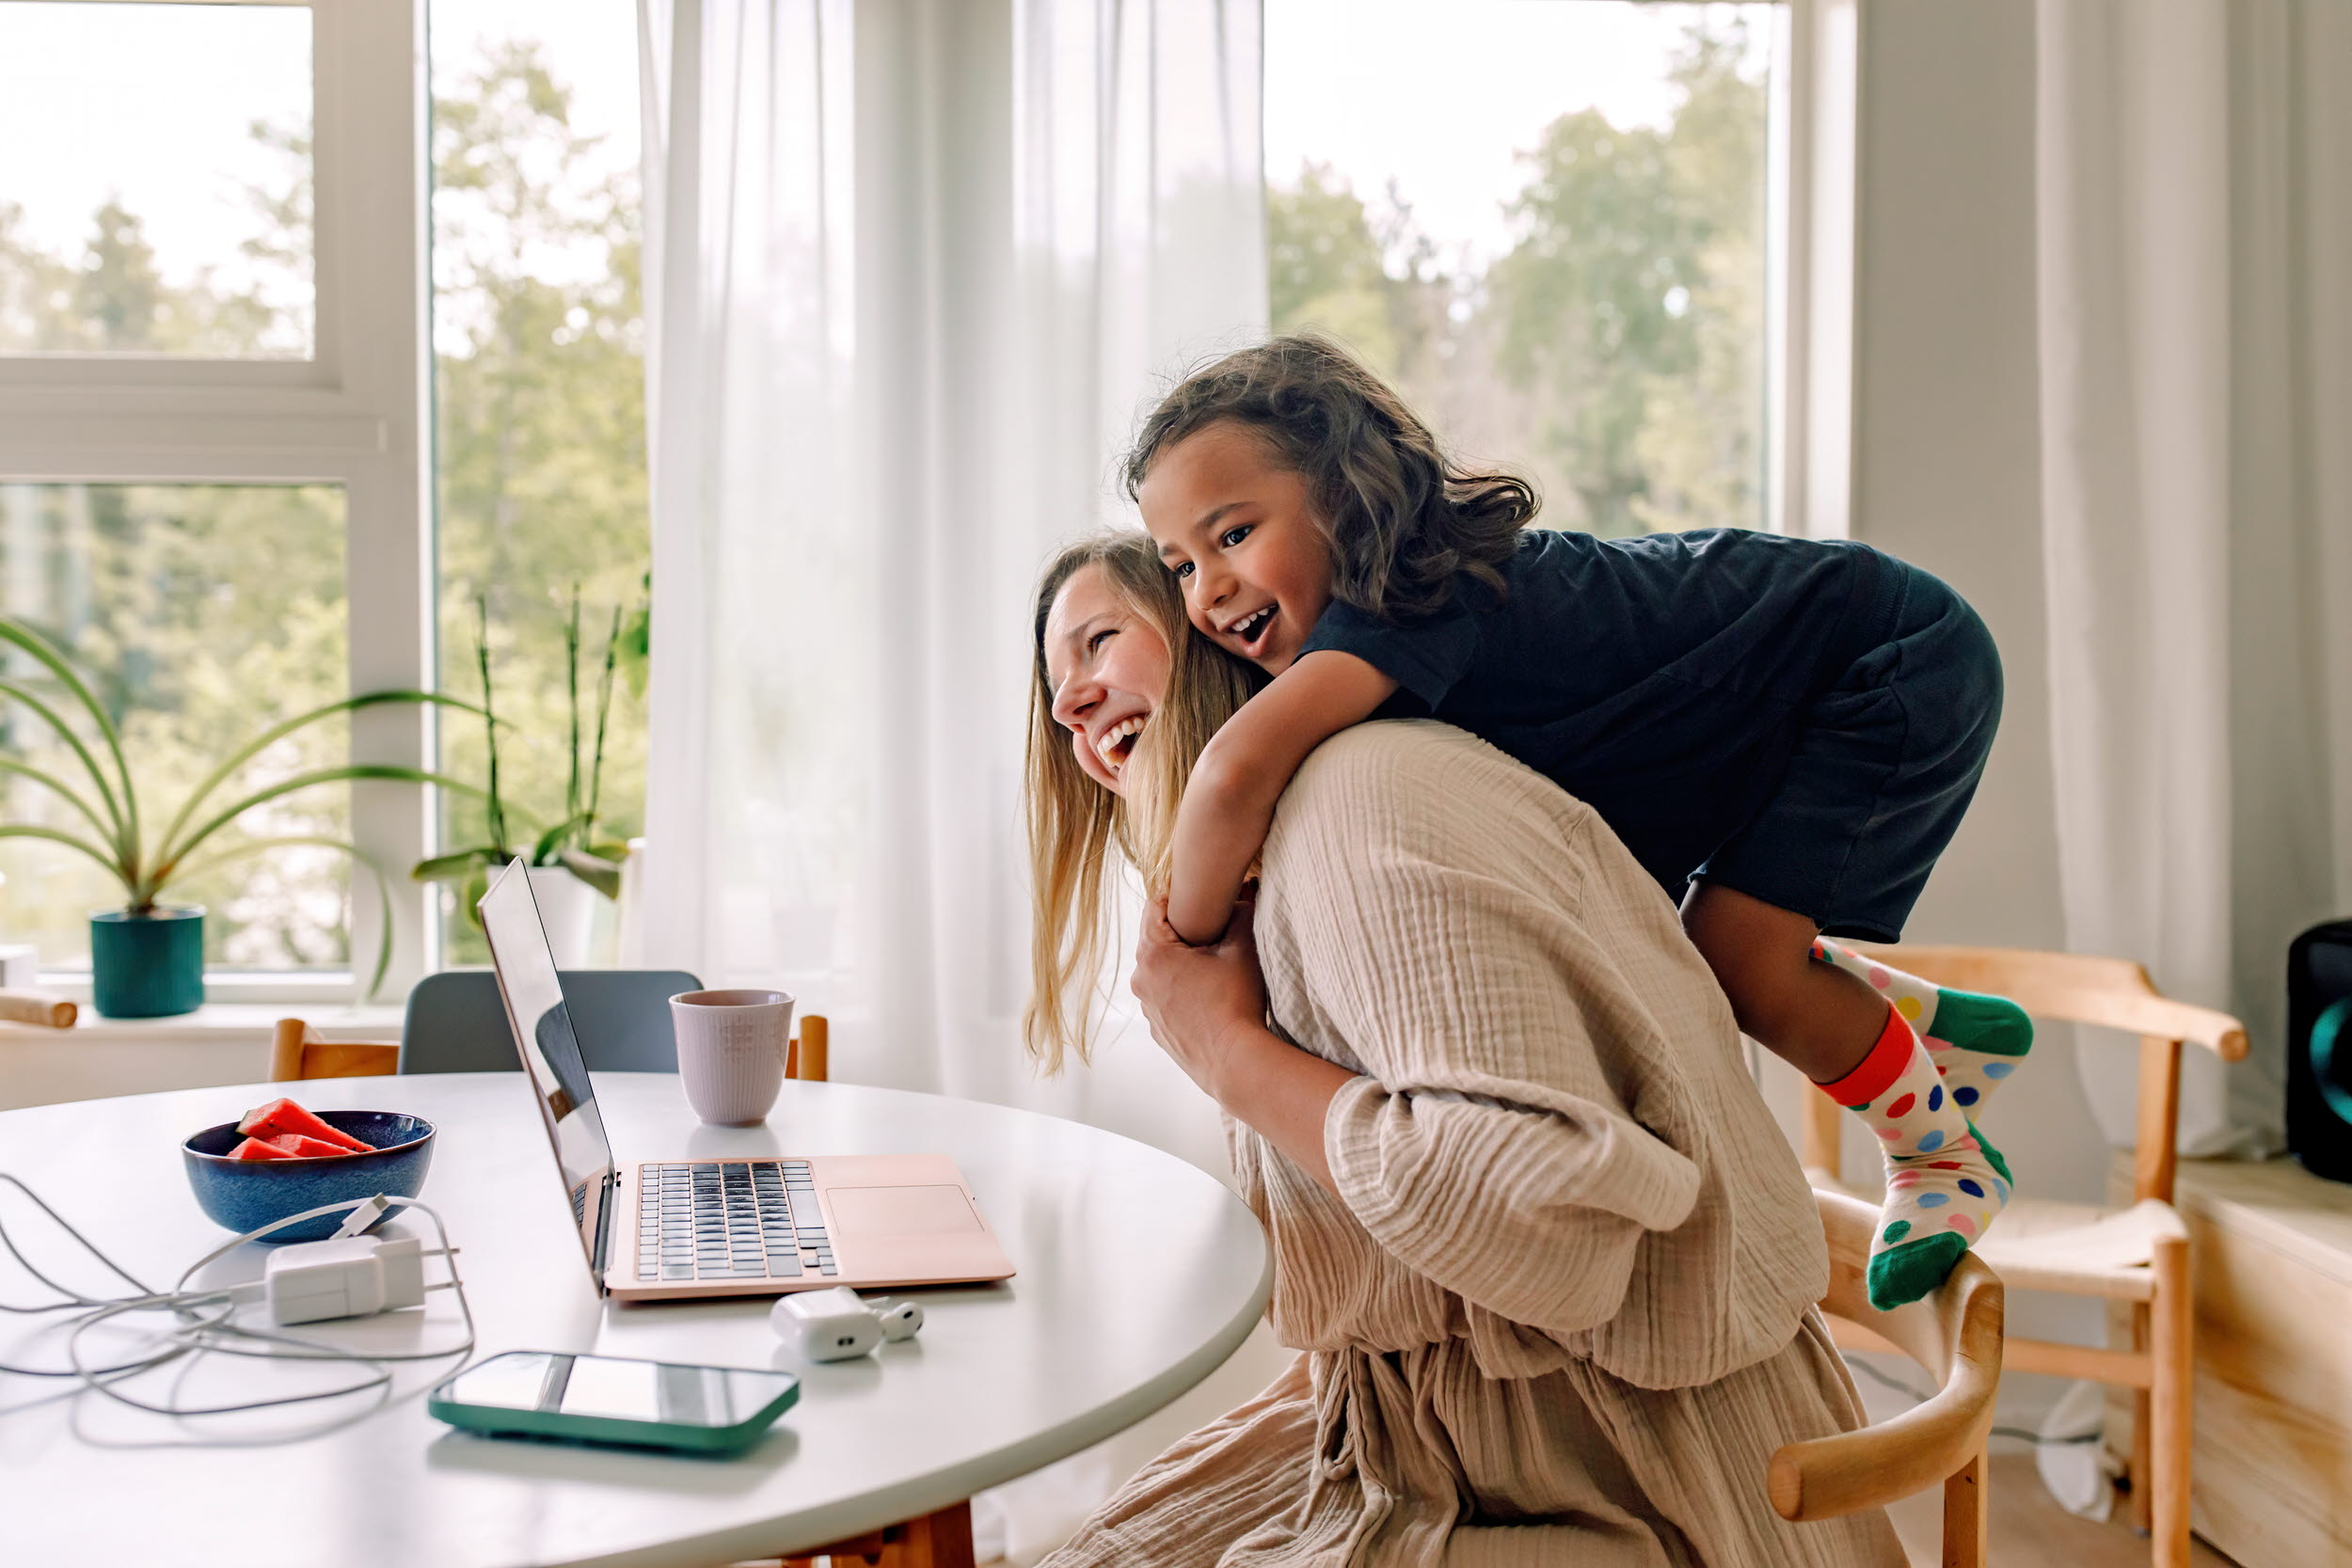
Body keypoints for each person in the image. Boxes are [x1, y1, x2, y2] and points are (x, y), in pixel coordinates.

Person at [1024, 531, 1903, 1566]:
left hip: (1626, 1481)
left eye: (1098, 641)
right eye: (1055, 684)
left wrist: (1224, 1050)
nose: (1068, 703)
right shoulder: (1290, 845)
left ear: (1216, 628)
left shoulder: (1354, 807)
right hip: (1447, 1433)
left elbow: (1549, 1225)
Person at [1126, 335, 2029, 1308]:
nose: (1208, 590)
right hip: (1803, 676)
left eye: (1232, 535)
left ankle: (1942, 1154)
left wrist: (1187, 950)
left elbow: (1233, 772)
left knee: (1737, 964)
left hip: (1887, 656)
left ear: (1345, 498)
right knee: (1699, 944)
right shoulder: (1389, 640)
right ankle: (1932, 1034)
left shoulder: (1413, 597)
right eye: (1178, 566)